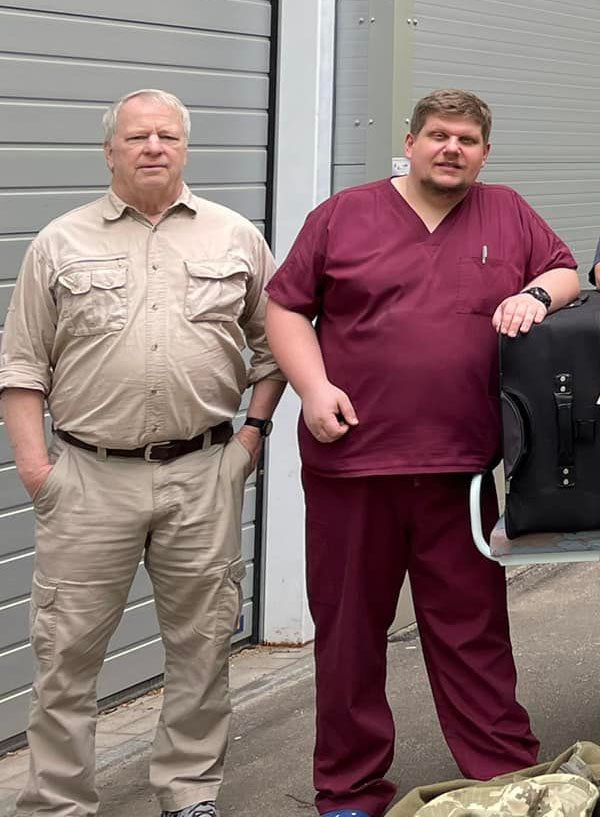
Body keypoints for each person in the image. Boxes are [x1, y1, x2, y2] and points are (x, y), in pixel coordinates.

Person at [264, 89, 580, 817]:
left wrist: (535, 294)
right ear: (409, 143)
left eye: (467, 140)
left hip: (460, 470)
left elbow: (566, 270)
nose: (451, 148)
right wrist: (311, 389)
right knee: (349, 635)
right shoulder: (343, 215)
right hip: (352, 464)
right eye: (438, 135)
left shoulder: (507, 211)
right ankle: (348, 791)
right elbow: (286, 307)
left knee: (473, 632)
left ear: (485, 154)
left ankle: (503, 774)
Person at [0, 88, 285, 817]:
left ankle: (188, 793)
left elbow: (277, 346)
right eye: (136, 137)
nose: (153, 147)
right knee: (65, 655)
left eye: (166, 135)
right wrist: (38, 471)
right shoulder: (59, 242)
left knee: (203, 647)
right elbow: (22, 368)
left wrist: (250, 437)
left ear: (185, 147)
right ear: (110, 151)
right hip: (88, 479)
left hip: (204, 473)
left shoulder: (235, 237)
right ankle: (58, 803)